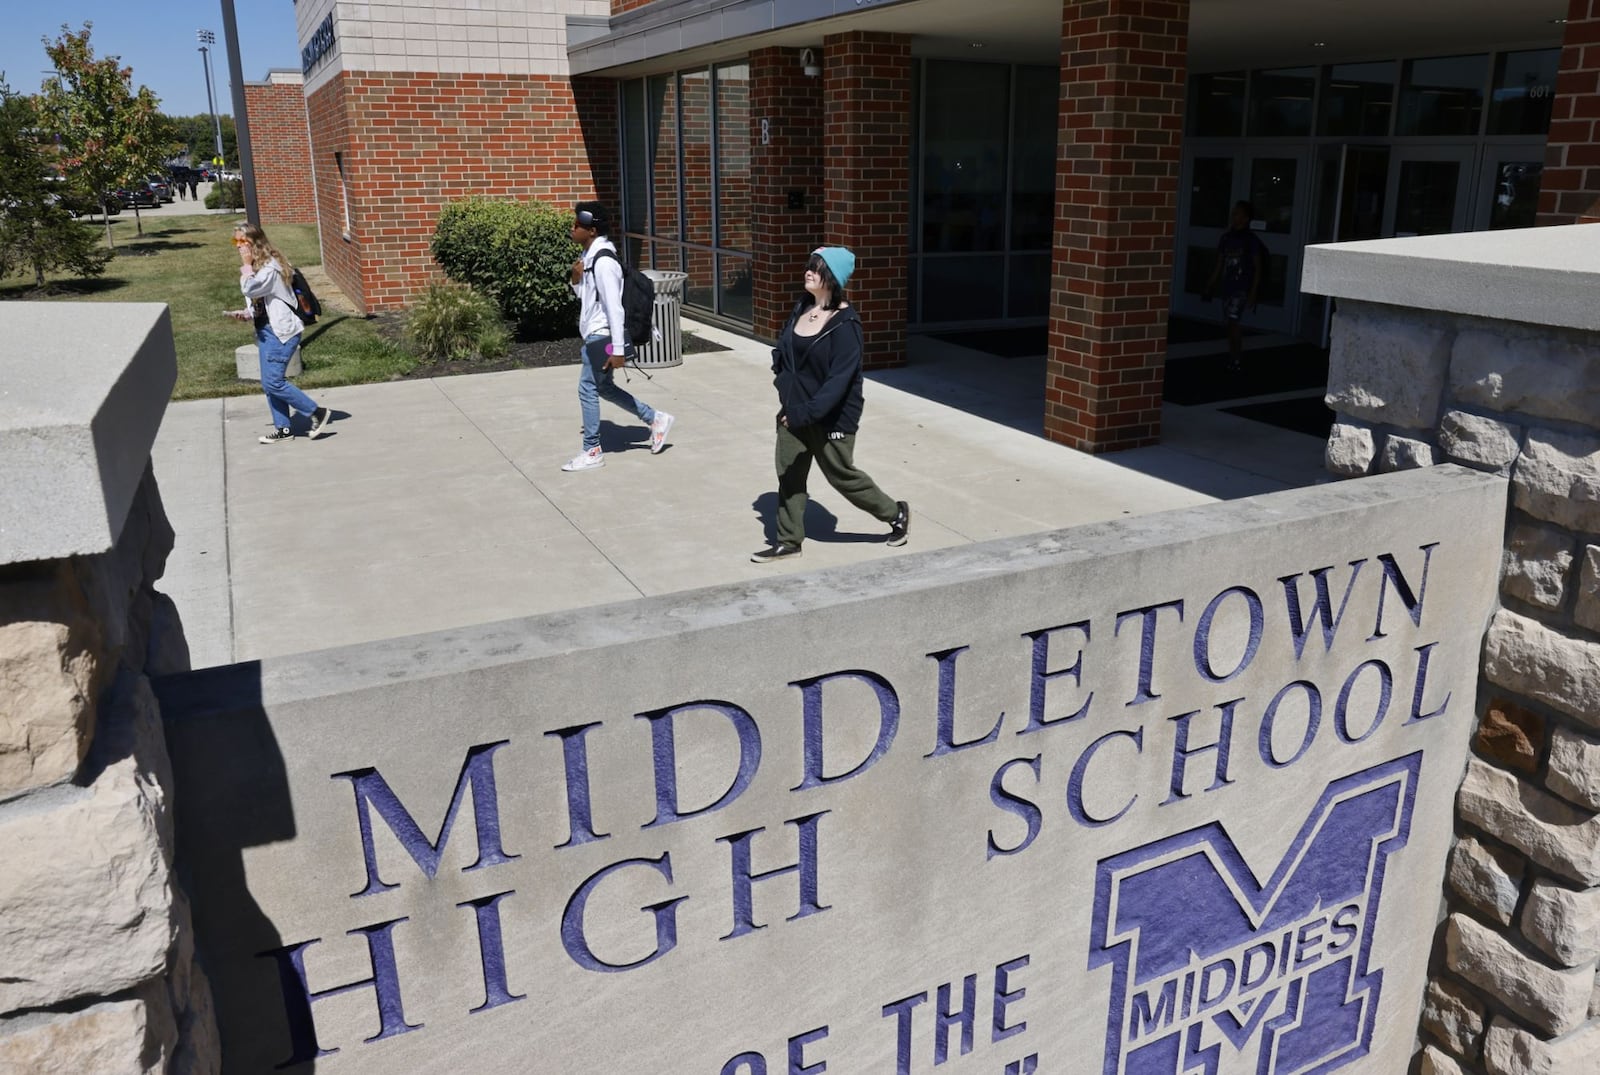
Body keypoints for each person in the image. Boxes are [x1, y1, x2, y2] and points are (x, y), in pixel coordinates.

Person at [752, 247, 909, 564]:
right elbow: (784, 347)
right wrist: (781, 377)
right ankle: (789, 540)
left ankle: (895, 513)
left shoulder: (846, 326)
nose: (808, 271)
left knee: (842, 476)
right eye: (808, 265)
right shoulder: (802, 308)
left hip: (831, 418)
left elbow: (838, 383)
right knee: (790, 476)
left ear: (833, 277)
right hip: (792, 412)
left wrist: (805, 412)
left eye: (817, 267)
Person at [560, 201, 673, 471]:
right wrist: (576, 279)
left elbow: (614, 308)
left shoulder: (603, 263)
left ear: (592, 230)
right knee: (603, 387)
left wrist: (618, 350)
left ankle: (592, 450)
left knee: (587, 388)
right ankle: (655, 418)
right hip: (596, 334)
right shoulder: (588, 260)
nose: (572, 228)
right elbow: (590, 301)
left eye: (578, 225)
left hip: (604, 336)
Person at [228, 222, 332, 444]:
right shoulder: (261, 266)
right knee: (269, 383)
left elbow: (250, 288)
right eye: (234, 241)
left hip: (281, 333)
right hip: (267, 330)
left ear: (253, 243)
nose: (238, 247)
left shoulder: (269, 268)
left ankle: (316, 412)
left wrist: (246, 267)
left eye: (241, 242)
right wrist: (247, 313)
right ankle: (283, 428)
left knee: (274, 382)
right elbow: (265, 301)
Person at [1203, 200, 1267, 372]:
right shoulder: (1226, 238)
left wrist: (1253, 292)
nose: (1234, 217)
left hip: (1242, 287)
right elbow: (1219, 264)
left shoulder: (1250, 240)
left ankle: (1236, 358)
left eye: (1238, 214)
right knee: (1230, 324)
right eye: (1233, 213)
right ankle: (1233, 355)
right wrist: (1210, 284)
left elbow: (1257, 268)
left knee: (1233, 321)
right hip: (1228, 286)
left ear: (1246, 218)